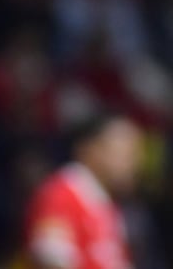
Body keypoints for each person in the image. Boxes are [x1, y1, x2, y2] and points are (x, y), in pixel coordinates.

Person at [24, 110, 142, 269]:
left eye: (134, 154)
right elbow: (51, 260)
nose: (132, 163)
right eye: (124, 153)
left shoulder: (104, 203)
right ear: (89, 150)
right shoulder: (61, 194)